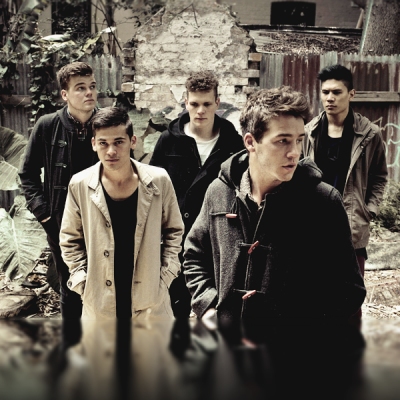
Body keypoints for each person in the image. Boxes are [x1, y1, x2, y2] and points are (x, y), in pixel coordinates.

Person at [183, 86, 366, 321]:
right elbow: (194, 255)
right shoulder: (219, 192)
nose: (294, 152)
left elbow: (349, 289)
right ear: (251, 142)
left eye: (299, 140)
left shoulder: (323, 201)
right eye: (282, 141)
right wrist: (208, 307)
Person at [59, 107, 184, 319]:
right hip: (99, 304)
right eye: (103, 143)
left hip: (151, 302)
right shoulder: (80, 184)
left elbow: (174, 230)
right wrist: (82, 282)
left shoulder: (158, 180)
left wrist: (165, 277)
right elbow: (70, 239)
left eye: (118, 142)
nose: (111, 151)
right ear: (93, 144)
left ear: (132, 141)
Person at [150, 71, 244, 317]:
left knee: (215, 308)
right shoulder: (168, 141)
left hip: (216, 237)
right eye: (194, 104)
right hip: (174, 238)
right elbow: (151, 190)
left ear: (217, 103)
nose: (200, 110)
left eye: (207, 104)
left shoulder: (233, 144)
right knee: (173, 309)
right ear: (185, 102)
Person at [19, 62, 99, 318]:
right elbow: (27, 174)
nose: (89, 92)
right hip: (61, 222)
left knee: (108, 287)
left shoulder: (108, 122)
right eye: (80, 88)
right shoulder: (47, 125)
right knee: (71, 287)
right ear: (65, 94)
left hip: (104, 220)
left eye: (92, 86)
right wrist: (44, 214)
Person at [302, 64, 388, 279]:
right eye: (325, 92)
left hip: (352, 224)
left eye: (336, 92)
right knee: (314, 291)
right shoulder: (308, 132)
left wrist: (369, 210)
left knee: (351, 294)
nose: (330, 98)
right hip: (314, 225)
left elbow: (379, 176)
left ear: (351, 94)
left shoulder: (370, 134)